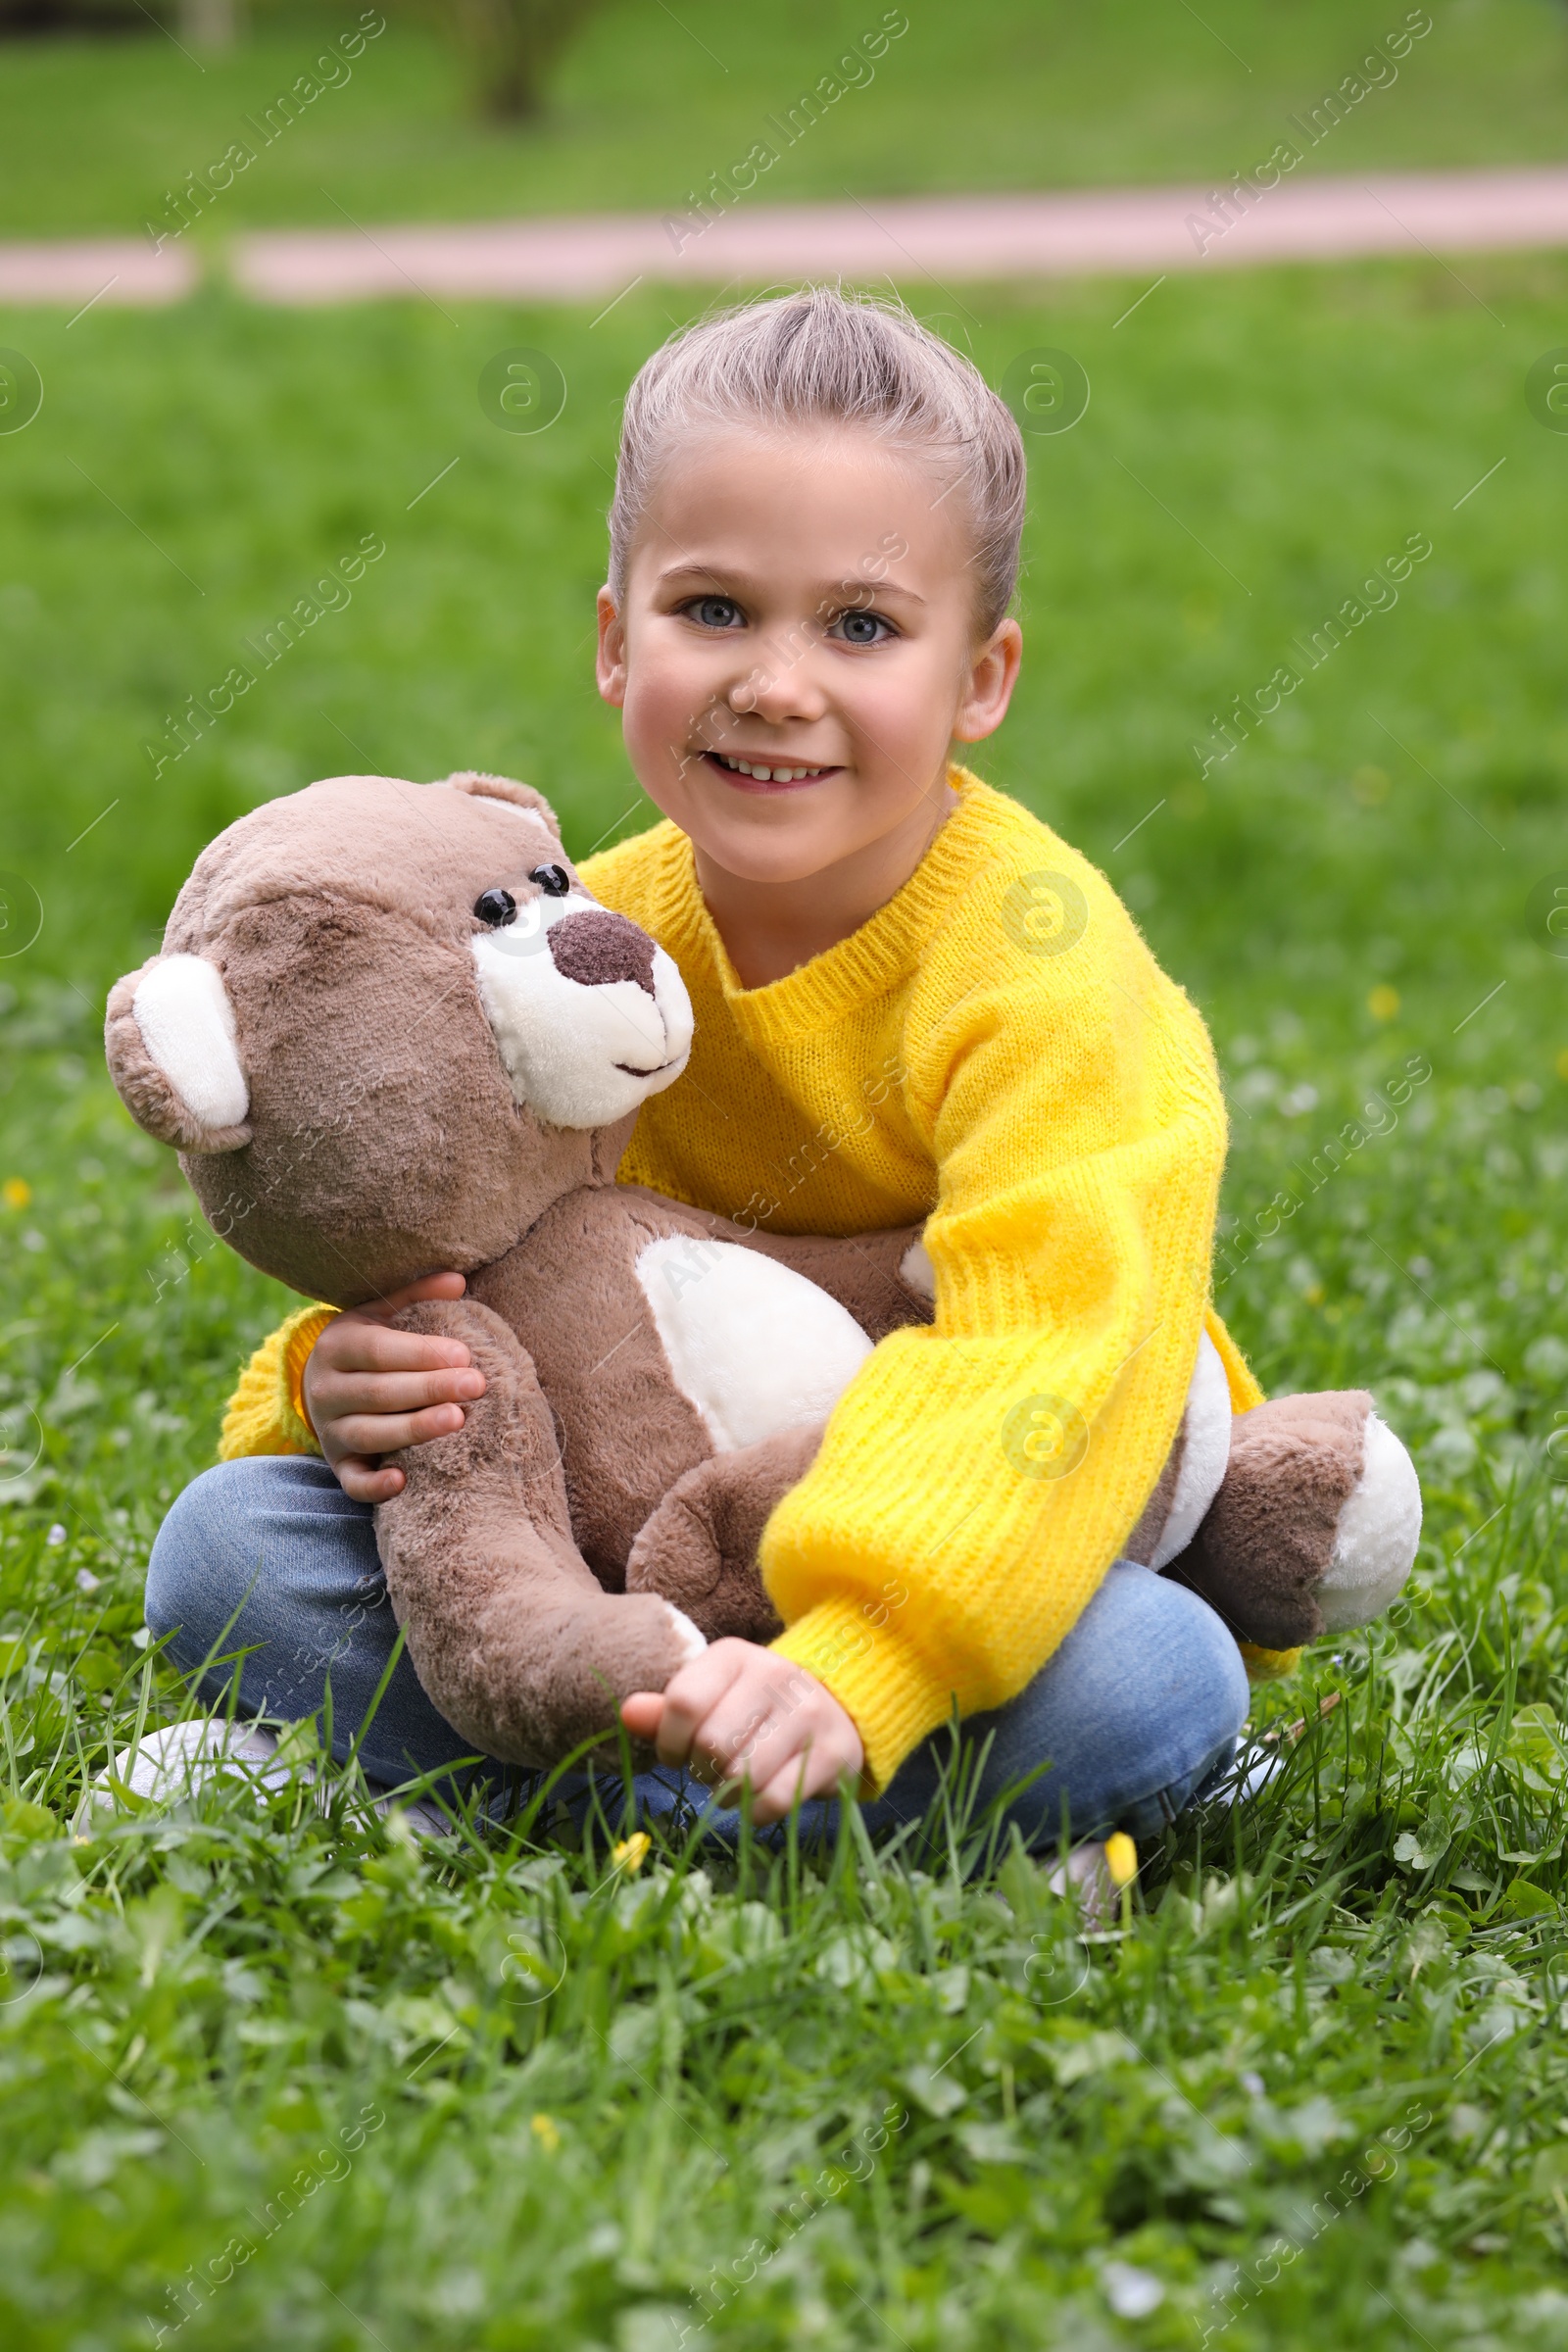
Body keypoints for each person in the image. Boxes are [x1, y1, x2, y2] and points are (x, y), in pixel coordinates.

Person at [145, 286, 1257, 1865]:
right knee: (222, 1550)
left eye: (861, 627)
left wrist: (860, 1664)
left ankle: (514, 1795)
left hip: (950, 1566)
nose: (775, 683)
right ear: (616, 638)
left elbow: (1053, 1360)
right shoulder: (575, 936)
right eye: (714, 610)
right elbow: (453, 1221)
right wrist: (338, 1385)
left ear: (982, 679)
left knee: (1159, 1672)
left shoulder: (1040, 965)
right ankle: (813, 1834)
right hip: (632, 1566)